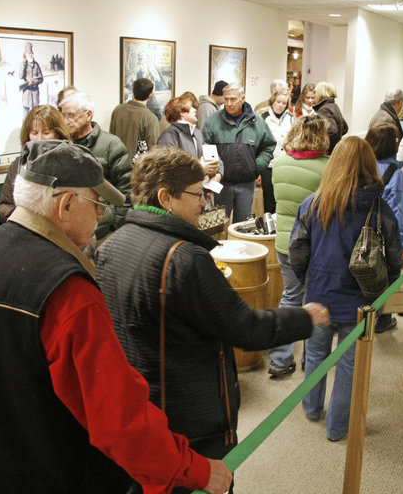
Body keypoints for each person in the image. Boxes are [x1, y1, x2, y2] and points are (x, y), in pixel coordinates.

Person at [0, 140, 231, 494]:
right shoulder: (67, 291)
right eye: (97, 203)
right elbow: (119, 419)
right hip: (44, 472)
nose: (102, 215)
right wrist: (195, 470)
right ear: (66, 204)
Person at [95, 147, 329, 491]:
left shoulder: (112, 245)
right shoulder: (185, 258)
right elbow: (246, 327)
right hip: (189, 423)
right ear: (166, 198)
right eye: (196, 193)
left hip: (140, 414)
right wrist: (304, 318)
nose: (204, 201)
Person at [289, 136, 401, 441]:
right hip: (361, 302)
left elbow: (297, 251)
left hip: (319, 296)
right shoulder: (381, 209)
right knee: (350, 368)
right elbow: (393, 257)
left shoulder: (314, 203)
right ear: (369, 165)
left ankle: (312, 408)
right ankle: (337, 428)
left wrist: (306, 281)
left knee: (315, 355)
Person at [267, 114, 332, 378]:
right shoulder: (328, 167)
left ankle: (280, 360)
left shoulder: (280, 163)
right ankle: (311, 359)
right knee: (315, 300)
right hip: (316, 245)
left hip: (284, 242)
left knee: (290, 298)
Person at [60, 91, 133, 239]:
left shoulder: (111, 145)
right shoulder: (62, 145)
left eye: (71, 115)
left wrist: (114, 224)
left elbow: (126, 188)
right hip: (70, 230)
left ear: (88, 115)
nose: (67, 121)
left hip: (102, 231)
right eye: (64, 116)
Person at [202, 83, 277, 221]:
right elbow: (205, 146)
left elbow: (269, 146)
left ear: (242, 99)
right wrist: (214, 172)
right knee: (218, 225)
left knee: (242, 227)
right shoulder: (213, 121)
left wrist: (256, 167)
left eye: (233, 99)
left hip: (247, 184)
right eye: (226, 99)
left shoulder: (257, 122)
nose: (229, 103)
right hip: (222, 184)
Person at [365, 124, 403, 333]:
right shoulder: (395, 173)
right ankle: (382, 321)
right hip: (385, 235)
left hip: (358, 231)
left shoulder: (360, 167)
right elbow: (401, 212)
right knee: (387, 277)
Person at [0, 105, 71, 224]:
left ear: (58, 134)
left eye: (46, 133)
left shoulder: (71, 164)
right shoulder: (18, 165)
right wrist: (24, 217)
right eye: (34, 133)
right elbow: (3, 208)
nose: (39, 139)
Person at [157, 96, 222, 186]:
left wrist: (218, 174)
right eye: (191, 108)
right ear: (182, 113)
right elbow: (167, 170)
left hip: (200, 190)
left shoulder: (197, 133)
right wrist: (199, 168)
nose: (195, 110)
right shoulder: (169, 136)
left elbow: (215, 156)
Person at [260, 89, 295, 213]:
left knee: (282, 199)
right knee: (269, 201)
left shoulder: (291, 119)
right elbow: (260, 143)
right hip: (268, 166)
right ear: (273, 101)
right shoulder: (264, 118)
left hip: (285, 164)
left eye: (284, 103)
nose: (281, 105)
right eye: (278, 102)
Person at [110, 78, 161, 160]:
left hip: (116, 164)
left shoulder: (118, 110)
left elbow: (111, 138)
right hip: (137, 168)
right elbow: (154, 150)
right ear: (150, 95)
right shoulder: (150, 118)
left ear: (133, 91)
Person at [313, 81, 348, 154]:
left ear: (321, 93)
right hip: (336, 149)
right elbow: (345, 128)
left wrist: (324, 144)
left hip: (329, 152)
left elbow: (332, 131)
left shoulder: (324, 109)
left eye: (315, 93)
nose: (314, 96)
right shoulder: (334, 106)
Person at [19, 42, 43, 117]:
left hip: (35, 92)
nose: (30, 54)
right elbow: (20, 76)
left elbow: (41, 79)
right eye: (28, 53)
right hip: (27, 92)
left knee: (35, 114)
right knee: (25, 113)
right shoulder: (23, 65)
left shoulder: (36, 65)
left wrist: (34, 82)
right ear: (25, 54)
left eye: (31, 53)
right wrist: (23, 62)